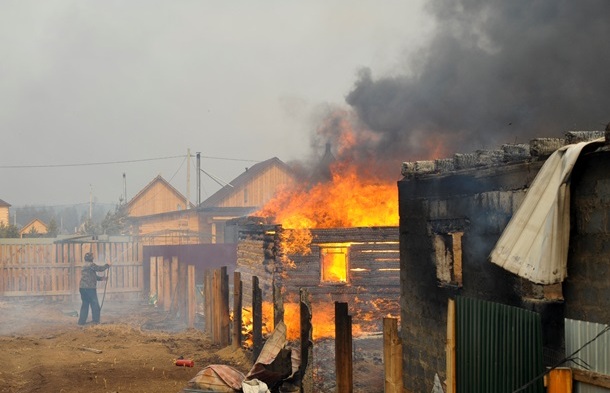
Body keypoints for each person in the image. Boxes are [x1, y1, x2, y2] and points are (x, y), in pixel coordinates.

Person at [78, 252, 110, 325]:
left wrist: (102, 278)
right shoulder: (91, 265)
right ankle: (96, 321)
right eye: (92, 257)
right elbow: (100, 269)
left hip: (82, 288)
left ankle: (81, 322)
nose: (93, 258)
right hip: (89, 288)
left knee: (85, 304)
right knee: (95, 304)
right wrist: (107, 265)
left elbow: (92, 276)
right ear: (91, 258)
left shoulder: (85, 265)